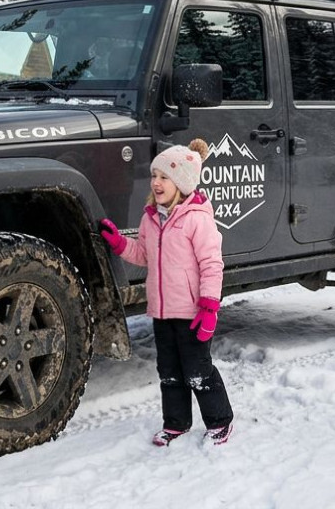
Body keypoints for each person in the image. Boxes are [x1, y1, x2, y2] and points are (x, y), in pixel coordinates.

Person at [98, 139, 234, 446]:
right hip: (161, 311)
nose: (156, 183)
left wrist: (210, 307)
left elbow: (212, 264)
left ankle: (220, 420)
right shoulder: (150, 218)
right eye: (154, 176)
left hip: (192, 313)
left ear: (182, 184)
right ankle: (176, 423)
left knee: (197, 370)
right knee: (169, 372)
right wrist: (120, 243)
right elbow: (144, 255)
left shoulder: (197, 219)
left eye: (164, 177)